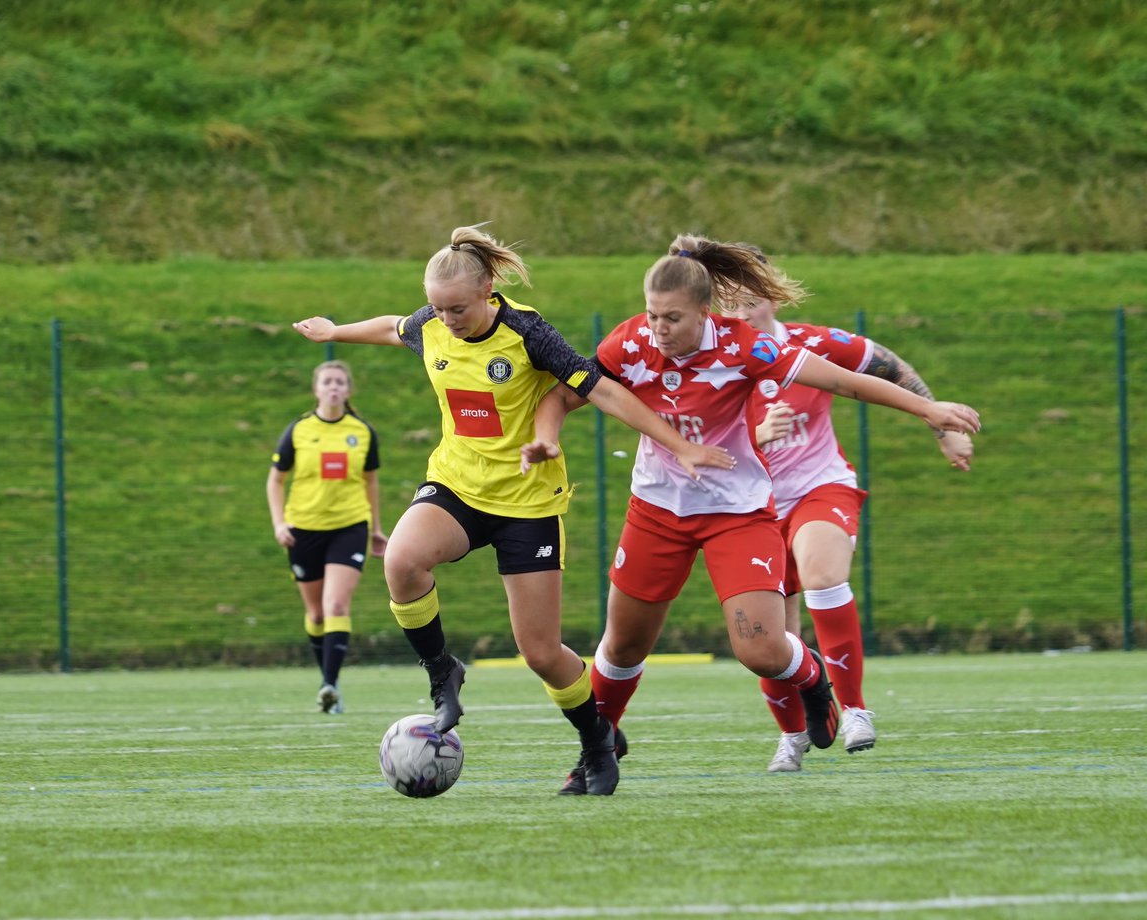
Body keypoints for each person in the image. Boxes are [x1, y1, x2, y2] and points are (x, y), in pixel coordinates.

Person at [524, 234, 980, 794]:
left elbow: (842, 380)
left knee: (761, 650)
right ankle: (596, 752)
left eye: (672, 318)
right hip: (657, 511)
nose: (658, 329)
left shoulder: (744, 347)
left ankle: (812, 679)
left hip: (736, 513)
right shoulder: (630, 343)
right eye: (652, 314)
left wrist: (928, 410)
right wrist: (546, 437)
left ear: (704, 312)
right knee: (621, 646)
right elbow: (563, 394)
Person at [291, 224, 735, 796]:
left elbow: (600, 389)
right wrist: (335, 331)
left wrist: (679, 445)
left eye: (457, 309)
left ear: (487, 292)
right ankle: (442, 672)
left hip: (526, 502)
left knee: (542, 654)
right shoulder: (431, 324)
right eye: (437, 308)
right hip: (456, 486)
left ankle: (598, 741)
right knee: (401, 561)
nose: (446, 319)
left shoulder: (527, 332)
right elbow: (393, 327)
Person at [726, 294, 974, 773]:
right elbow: (689, 445)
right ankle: (792, 736)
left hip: (821, 488)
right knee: (770, 639)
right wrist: (756, 435)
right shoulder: (713, 361)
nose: (740, 313)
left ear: (772, 299)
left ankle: (856, 710)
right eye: (727, 304)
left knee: (823, 576)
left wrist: (940, 426)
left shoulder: (813, 344)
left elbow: (889, 366)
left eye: (749, 301)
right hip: (753, 507)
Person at [266, 359, 388, 715]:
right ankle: (328, 684)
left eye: (339, 382)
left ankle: (330, 685)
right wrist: (279, 524)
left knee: (336, 606)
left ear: (348, 390)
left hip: (349, 526)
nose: (333, 387)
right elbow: (275, 480)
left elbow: (371, 482)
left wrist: (375, 528)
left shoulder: (362, 432)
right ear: (316, 389)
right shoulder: (299, 430)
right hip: (303, 528)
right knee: (317, 614)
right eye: (327, 382)